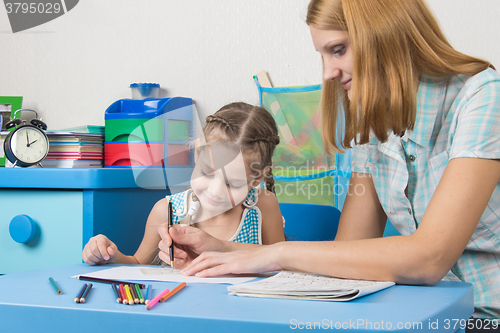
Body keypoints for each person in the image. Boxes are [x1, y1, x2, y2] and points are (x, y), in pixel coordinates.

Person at [160, 0, 500, 325]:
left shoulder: (482, 95)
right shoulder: (374, 123)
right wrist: (222, 252)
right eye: (322, 54)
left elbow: (430, 257)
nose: (327, 72)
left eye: (338, 50)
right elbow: (347, 254)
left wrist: (274, 254)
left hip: (485, 318)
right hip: (423, 314)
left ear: (386, 34)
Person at [82, 102, 285, 266]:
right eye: (207, 173)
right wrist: (108, 254)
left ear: (257, 179)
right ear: (197, 153)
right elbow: (137, 265)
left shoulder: (263, 206)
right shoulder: (167, 211)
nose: (215, 191)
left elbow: (283, 261)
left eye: (233, 184)